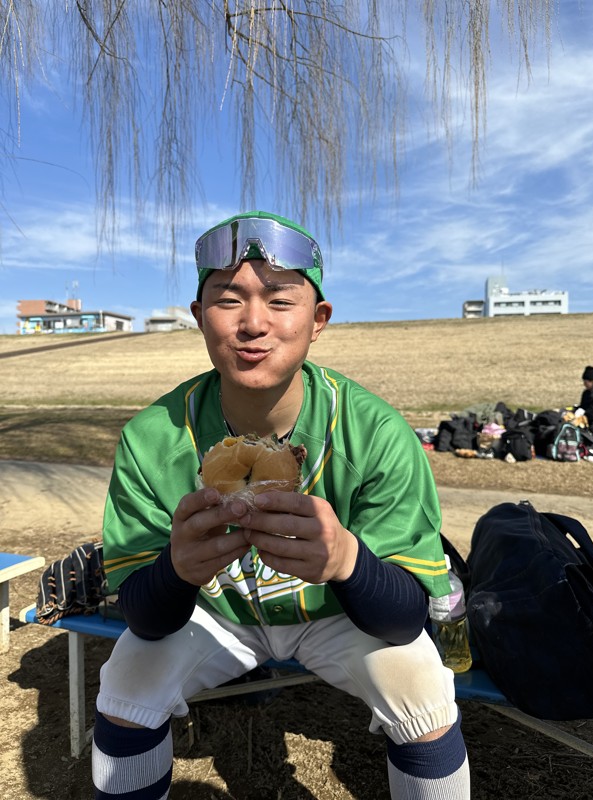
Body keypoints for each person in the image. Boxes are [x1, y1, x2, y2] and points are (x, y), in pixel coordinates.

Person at [92, 211, 470, 799]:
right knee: (126, 685)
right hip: (215, 616)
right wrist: (176, 570)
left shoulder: (374, 432)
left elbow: (403, 619)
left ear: (318, 320)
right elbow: (145, 616)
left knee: (422, 688)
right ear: (199, 317)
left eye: (280, 300)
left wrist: (347, 559)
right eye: (227, 299)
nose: (252, 324)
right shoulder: (151, 439)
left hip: (335, 617)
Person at [578, 365, 593, 441]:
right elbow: (582, 407)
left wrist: (583, 416)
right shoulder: (586, 393)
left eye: (586, 381)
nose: (584, 383)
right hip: (589, 421)